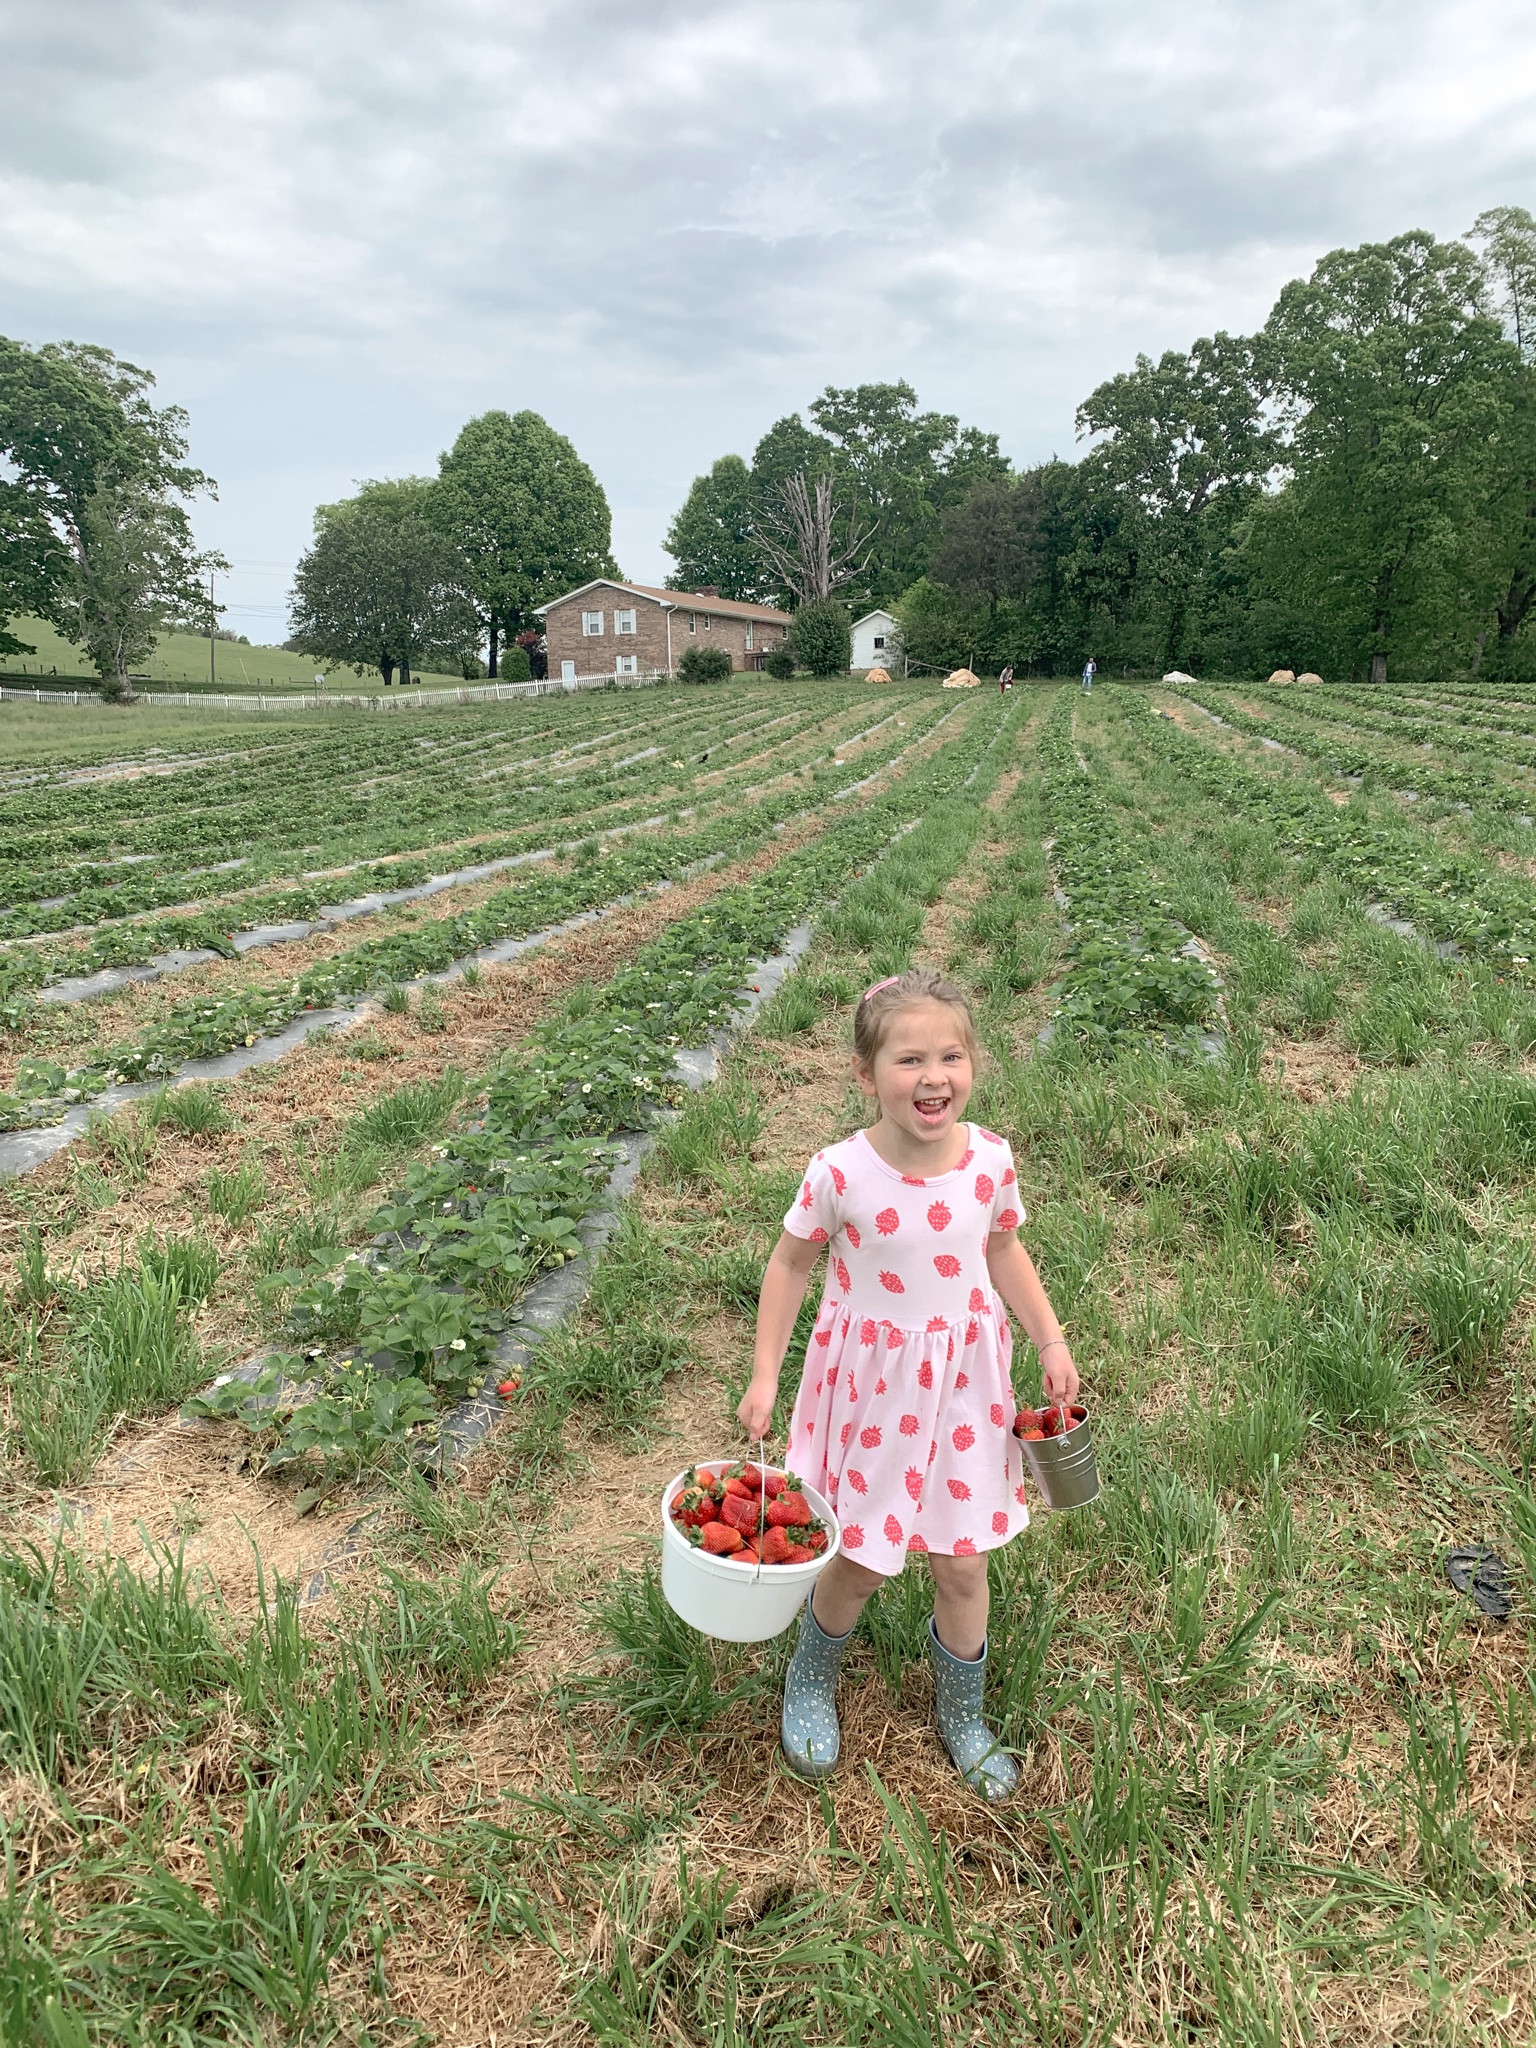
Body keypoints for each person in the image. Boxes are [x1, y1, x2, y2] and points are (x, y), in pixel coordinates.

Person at [738, 968, 1080, 1799]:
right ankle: (811, 1677)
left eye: (951, 1057)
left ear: (974, 1063)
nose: (934, 1078)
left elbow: (1002, 1248)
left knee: (964, 1564)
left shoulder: (989, 1160)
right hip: (876, 1392)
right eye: (909, 1060)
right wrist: (764, 1376)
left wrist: (1050, 1335)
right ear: (865, 1074)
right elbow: (790, 1265)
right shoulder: (840, 1174)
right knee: (861, 1557)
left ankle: (963, 1713)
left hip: (965, 1387)